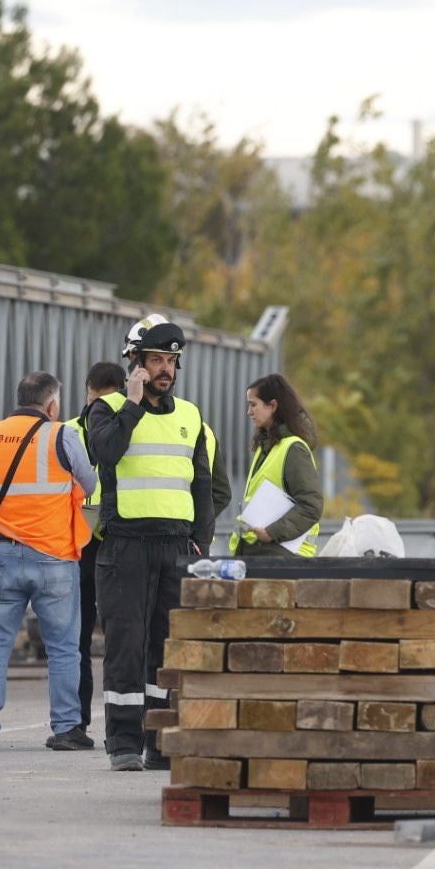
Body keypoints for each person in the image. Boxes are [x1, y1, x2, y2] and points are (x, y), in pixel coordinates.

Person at [88, 314, 216, 771]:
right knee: (126, 644)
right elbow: (106, 452)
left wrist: (201, 540)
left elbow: (202, 484)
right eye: (156, 360)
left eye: (171, 361)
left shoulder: (191, 416)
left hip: (176, 549)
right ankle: (123, 743)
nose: (165, 369)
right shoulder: (108, 409)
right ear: (136, 363)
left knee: (168, 649)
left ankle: (160, 743)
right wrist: (133, 404)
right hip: (126, 547)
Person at [0, 371, 97, 753]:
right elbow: (89, 484)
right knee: (62, 648)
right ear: (52, 405)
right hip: (53, 556)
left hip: (1, 556)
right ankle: (67, 727)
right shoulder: (61, 435)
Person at [63, 360, 127, 745]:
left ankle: (118, 723)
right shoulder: (68, 433)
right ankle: (79, 720)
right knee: (78, 637)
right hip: (79, 544)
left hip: (117, 539)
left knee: (121, 636)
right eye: (93, 401)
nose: (97, 408)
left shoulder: (131, 428)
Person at [231, 373, 324, 557]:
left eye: (253, 404)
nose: (249, 412)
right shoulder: (267, 448)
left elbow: (311, 505)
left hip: (283, 557)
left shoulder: (293, 449)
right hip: (264, 553)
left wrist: (272, 532)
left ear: (272, 405)